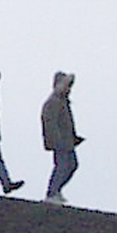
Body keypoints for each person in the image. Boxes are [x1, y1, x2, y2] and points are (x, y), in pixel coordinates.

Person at [40, 71, 82, 205]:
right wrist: (55, 139)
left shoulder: (63, 102)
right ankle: (52, 193)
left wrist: (74, 137)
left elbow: (67, 123)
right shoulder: (53, 102)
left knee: (72, 165)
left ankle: (56, 191)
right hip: (60, 141)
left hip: (67, 141)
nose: (69, 89)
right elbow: (49, 122)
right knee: (62, 166)